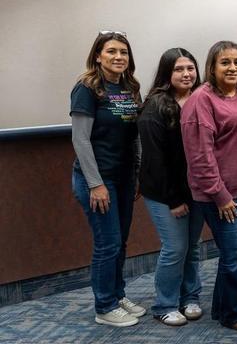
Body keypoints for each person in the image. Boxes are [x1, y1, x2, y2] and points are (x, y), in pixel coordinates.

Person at [181, 41, 237, 332]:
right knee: (235, 253)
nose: (233, 68)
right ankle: (232, 314)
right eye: (225, 63)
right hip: (221, 195)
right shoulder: (200, 100)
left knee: (235, 253)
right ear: (212, 67)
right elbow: (200, 156)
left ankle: (223, 305)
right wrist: (220, 196)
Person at [70, 31, 145, 327]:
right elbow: (80, 140)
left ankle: (117, 294)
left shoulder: (129, 88)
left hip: (124, 177)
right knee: (107, 243)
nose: (118, 57)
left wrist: (137, 173)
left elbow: (134, 136)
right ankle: (104, 306)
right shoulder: (87, 88)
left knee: (120, 242)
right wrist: (95, 184)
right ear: (98, 56)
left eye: (123, 52)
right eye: (111, 51)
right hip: (97, 180)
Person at [138, 48, 205, 326]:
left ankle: (190, 297)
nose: (186, 74)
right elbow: (155, 160)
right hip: (164, 193)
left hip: (195, 190)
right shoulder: (154, 107)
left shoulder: (202, 99)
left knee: (192, 247)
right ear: (167, 73)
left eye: (190, 68)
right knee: (175, 247)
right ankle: (164, 304)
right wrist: (174, 200)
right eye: (179, 69)